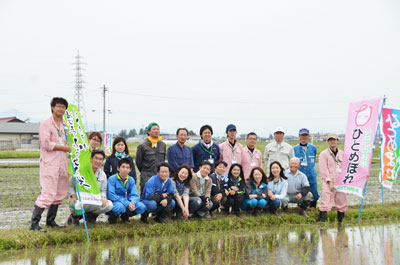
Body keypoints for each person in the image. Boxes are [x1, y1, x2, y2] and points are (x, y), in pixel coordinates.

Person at [30, 97, 71, 232]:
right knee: (48, 192)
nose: (61, 109)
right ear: (52, 107)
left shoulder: (66, 125)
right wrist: (64, 148)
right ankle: (34, 223)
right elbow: (46, 144)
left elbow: (71, 143)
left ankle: (50, 221)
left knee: (60, 192)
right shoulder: (45, 124)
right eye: (58, 106)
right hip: (50, 164)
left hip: (63, 163)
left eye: (63, 107)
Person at [68, 150, 113, 225]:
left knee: (109, 205)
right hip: (81, 200)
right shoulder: (80, 170)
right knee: (75, 204)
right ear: (91, 159)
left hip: (93, 200)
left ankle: (91, 216)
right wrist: (73, 195)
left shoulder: (102, 174)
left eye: (101, 159)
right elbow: (70, 185)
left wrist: (102, 197)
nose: (98, 161)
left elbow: (103, 190)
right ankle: (75, 216)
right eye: (96, 158)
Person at [106, 158, 146, 224]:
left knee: (141, 207)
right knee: (119, 207)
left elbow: (134, 194)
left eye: (127, 167)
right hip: (116, 203)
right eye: (123, 167)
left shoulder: (131, 180)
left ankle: (125, 216)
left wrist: (132, 203)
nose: (125, 169)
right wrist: (127, 203)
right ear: (118, 168)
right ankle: (112, 217)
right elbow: (111, 195)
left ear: (130, 170)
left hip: (128, 203)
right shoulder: (112, 179)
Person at [318, 133, 348, 222]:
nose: (332, 141)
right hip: (328, 181)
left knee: (342, 201)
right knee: (325, 200)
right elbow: (323, 169)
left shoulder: (342, 153)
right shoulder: (324, 154)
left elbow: (347, 167)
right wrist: (329, 181)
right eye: (330, 140)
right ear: (328, 142)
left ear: (337, 141)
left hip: (340, 181)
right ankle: (322, 221)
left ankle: (340, 221)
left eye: (334, 140)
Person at [136, 122, 166, 192]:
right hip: (147, 176)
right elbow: (138, 163)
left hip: (160, 176)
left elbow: (163, 160)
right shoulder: (142, 146)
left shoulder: (163, 145)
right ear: (149, 131)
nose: (156, 131)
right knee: (148, 198)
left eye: (158, 129)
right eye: (154, 129)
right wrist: (145, 172)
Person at [294, 128, 319, 208]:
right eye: (302, 135)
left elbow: (314, 158)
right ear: (299, 136)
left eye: (305, 135)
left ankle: (313, 207)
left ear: (308, 136)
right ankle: (301, 208)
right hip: (300, 173)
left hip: (311, 173)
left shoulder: (313, 148)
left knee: (314, 190)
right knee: (301, 191)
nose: (304, 137)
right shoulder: (294, 149)